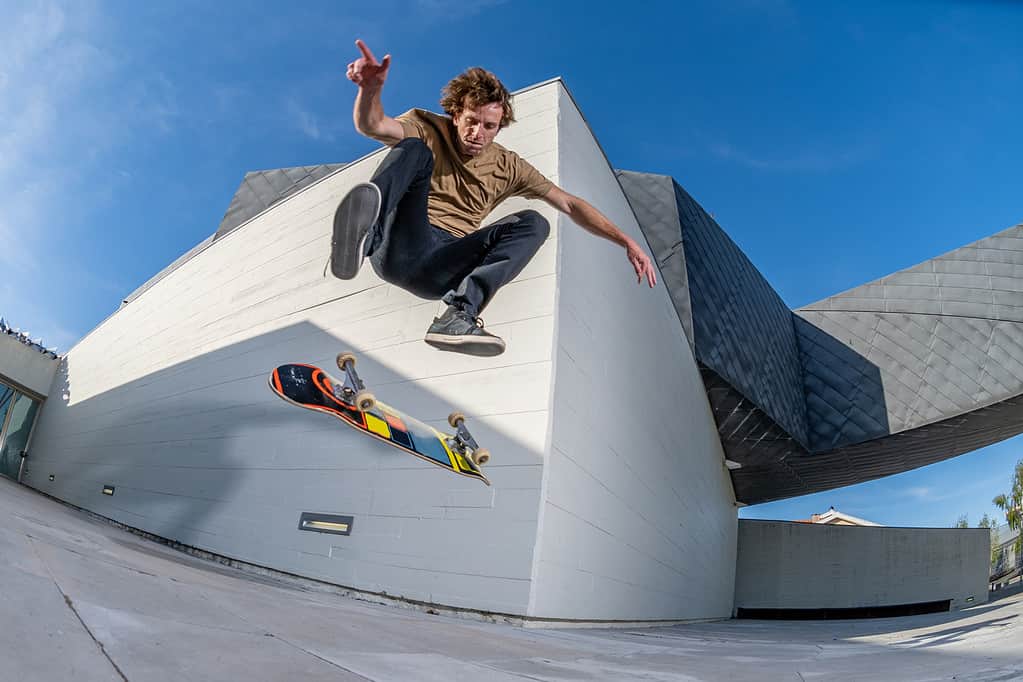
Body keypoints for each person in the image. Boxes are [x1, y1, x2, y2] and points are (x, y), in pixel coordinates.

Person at [333, 39, 657, 357]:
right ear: (456, 114)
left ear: (499, 127)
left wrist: (625, 240)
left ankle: (457, 317)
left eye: (489, 126)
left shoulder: (508, 166)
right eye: (471, 122)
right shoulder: (427, 126)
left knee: (535, 223)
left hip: (441, 267)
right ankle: (363, 236)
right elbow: (373, 125)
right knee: (413, 149)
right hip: (398, 243)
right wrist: (369, 90)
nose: (478, 134)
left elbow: (569, 203)